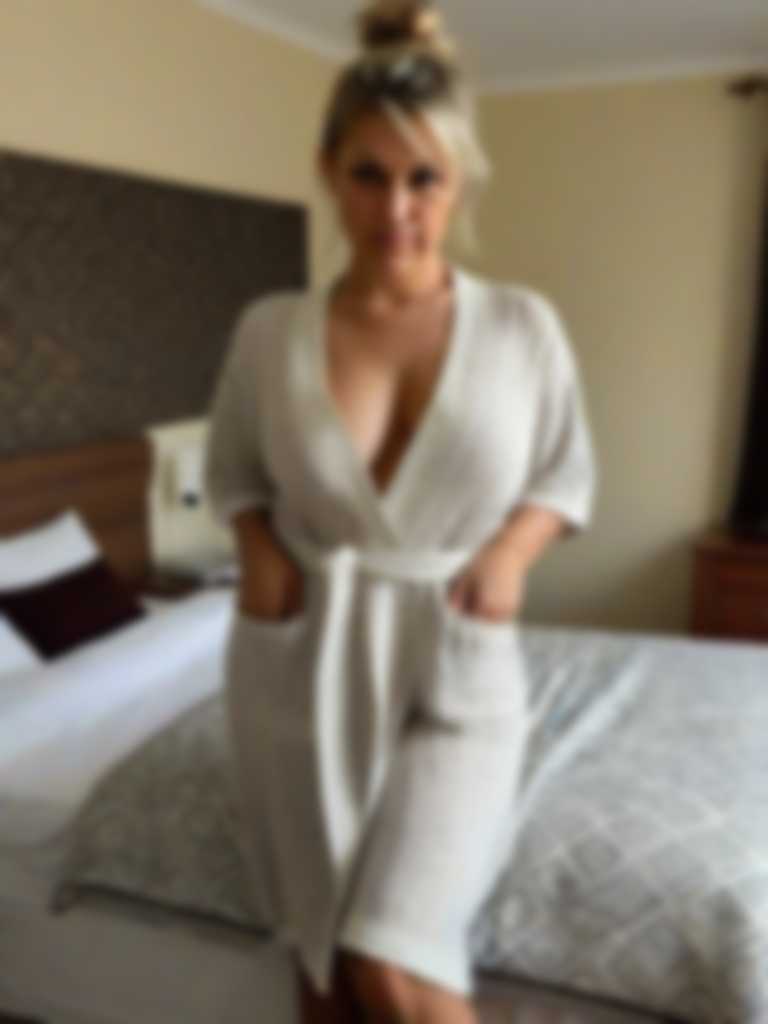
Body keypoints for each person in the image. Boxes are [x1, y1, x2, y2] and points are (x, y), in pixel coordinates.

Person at [203, 1, 597, 1021]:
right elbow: (233, 469)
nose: (397, 208)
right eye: (369, 174)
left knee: (391, 958)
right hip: (301, 660)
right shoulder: (268, 332)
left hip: (456, 660)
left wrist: (511, 551)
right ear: (328, 170)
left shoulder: (521, 328)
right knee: (323, 961)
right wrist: (255, 545)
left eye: (425, 177)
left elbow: (565, 473)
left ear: (460, 181)